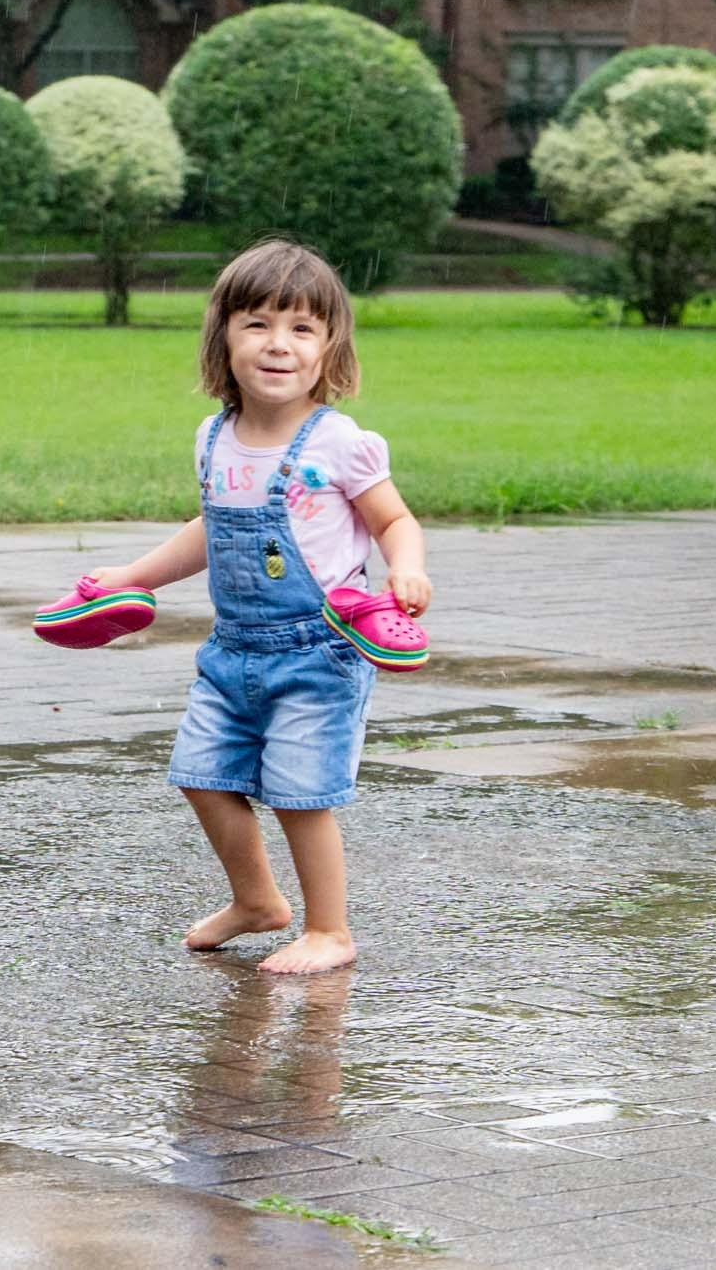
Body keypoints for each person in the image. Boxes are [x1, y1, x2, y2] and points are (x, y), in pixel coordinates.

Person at [90, 240, 431, 974]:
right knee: (200, 774)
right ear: (224, 337)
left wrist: (406, 568)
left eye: (302, 328)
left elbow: (394, 520)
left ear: (329, 346)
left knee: (302, 794)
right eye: (257, 324)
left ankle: (329, 930)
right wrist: (134, 577)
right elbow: (210, 531)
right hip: (233, 650)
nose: (279, 344)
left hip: (319, 652)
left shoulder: (338, 443)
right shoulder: (214, 437)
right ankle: (256, 902)